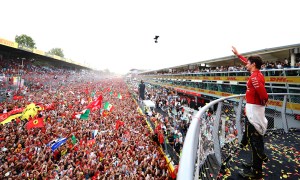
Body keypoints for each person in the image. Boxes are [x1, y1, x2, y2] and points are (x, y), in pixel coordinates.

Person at [232, 46, 269, 179]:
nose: (245, 64)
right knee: (253, 140)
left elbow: (263, 94)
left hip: (254, 113)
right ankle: (254, 165)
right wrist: (238, 55)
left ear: (253, 64)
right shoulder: (256, 74)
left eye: (248, 63)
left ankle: (256, 172)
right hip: (252, 111)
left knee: (255, 142)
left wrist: (263, 102)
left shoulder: (255, 77)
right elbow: (247, 62)